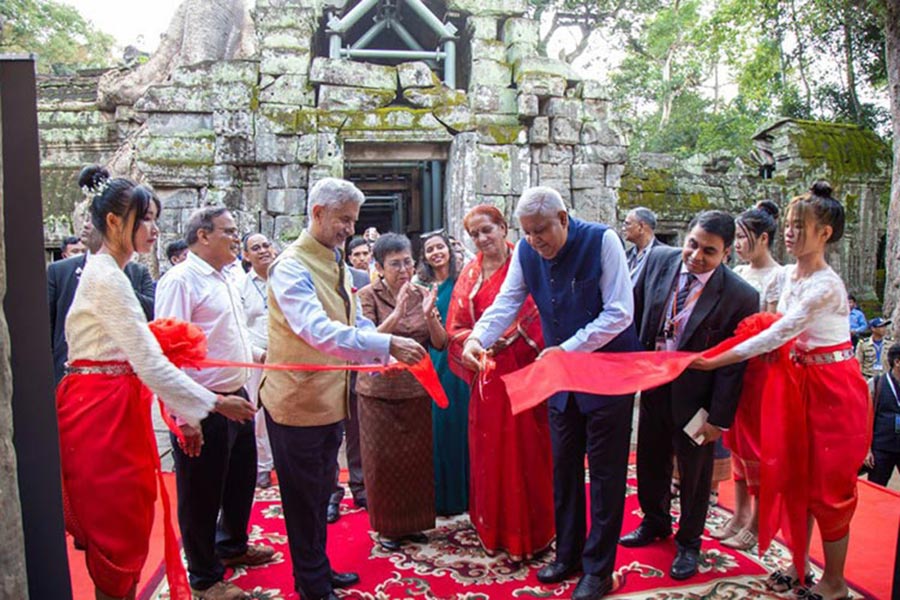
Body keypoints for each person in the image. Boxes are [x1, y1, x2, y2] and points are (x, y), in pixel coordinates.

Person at [57, 166, 255, 600]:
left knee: (125, 513)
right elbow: (149, 363)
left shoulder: (112, 274)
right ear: (113, 222)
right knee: (117, 522)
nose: (153, 228)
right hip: (103, 409)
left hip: (114, 402)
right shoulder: (108, 278)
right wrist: (215, 403)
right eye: (144, 218)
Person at [690, 182, 870, 600]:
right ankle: (798, 562)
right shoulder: (789, 275)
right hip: (796, 384)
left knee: (828, 488)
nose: (789, 232)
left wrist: (717, 359)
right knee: (794, 479)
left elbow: (779, 333)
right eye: (788, 224)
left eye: (799, 225)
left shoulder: (826, 285)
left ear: (825, 233)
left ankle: (835, 582)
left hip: (832, 391)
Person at [462, 187, 640, 600]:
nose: (535, 241)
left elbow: (619, 312)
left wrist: (568, 348)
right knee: (563, 469)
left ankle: (598, 569)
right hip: (560, 379)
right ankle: (569, 554)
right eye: (527, 233)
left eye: (542, 231)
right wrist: (478, 337)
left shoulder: (602, 240)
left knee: (606, 475)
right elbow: (508, 301)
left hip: (606, 374)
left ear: (563, 219)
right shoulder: (526, 251)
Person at [260, 178, 426, 600]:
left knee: (319, 493)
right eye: (344, 220)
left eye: (352, 221)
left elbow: (353, 322)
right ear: (317, 213)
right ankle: (312, 585)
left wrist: (378, 352)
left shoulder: (334, 261)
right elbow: (317, 331)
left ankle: (317, 569)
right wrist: (386, 344)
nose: (350, 229)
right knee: (302, 499)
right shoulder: (292, 265)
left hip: (330, 398)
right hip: (296, 402)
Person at [620, 210, 758, 582]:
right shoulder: (660, 260)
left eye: (708, 251)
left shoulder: (742, 295)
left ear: (726, 253)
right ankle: (655, 521)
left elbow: (735, 363)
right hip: (653, 384)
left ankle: (689, 542)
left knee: (695, 474)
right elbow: (632, 312)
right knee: (650, 457)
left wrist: (719, 418)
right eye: (693, 244)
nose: (696, 256)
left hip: (698, 399)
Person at [156, 207, 273, 600]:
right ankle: (204, 576)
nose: (236, 238)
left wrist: (258, 353)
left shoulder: (228, 276)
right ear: (203, 236)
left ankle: (233, 545)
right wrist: (185, 415)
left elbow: (231, 334)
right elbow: (168, 355)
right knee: (201, 491)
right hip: (203, 404)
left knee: (240, 478)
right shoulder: (180, 281)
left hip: (236, 393)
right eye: (229, 231)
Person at [447, 205, 555, 561]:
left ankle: (534, 529)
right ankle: (493, 526)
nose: (481, 239)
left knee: (528, 447)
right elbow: (457, 326)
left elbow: (540, 311)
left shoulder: (526, 263)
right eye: (474, 234)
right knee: (489, 449)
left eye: (487, 230)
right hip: (488, 376)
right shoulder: (470, 273)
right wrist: (475, 343)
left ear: (503, 227)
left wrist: (507, 337)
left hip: (526, 370)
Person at [355, 233, 445, 549]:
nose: (405, 269)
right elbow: (366, 341)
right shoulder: (367, 295)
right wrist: (398, 311)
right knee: (384, 461)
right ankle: (388, 528)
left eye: (408, 261)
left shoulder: (423, 292)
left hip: (417, 388)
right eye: (395, 264)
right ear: (378, 267)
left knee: (417, 461)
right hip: (378, 391)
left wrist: (430, 313)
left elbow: (439, 342)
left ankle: (414, 523)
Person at [709, 200, 782, 552]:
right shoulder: (738, 273)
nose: (737, 243)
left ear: (763, 238)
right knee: (737, 447)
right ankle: (739, 514)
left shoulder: (778, 278)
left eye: (742, 237)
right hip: (736, 369)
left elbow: (769, 331)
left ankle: (758, 522)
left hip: (762, 373)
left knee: (759, 450)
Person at [48, 174, 156, 385]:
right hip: (93, 386)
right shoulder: (69, 271)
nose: (89, 226)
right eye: (146, 218)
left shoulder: (128, 273)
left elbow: (151, 310)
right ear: (112, 222)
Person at [417, 229, 471, 516]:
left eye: (440, 247)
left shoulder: (463, 281)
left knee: (461, 423)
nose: (436, 253)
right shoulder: (422, 287)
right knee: (438, 424)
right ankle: (442, 497)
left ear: (450, 250)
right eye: (430, 250)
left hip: (461, 356)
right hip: (435, 357)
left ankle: (466, 494)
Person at [326, 257, 371, 522]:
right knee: (329, 438)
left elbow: (363, 320)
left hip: (355, 369)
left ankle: (360, 486)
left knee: (356, 433)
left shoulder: (360, 278)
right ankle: (330, 494)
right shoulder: (303, 274)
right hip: (325, 370)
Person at [238, 233, 277, 489]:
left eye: (266, 245)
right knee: (258, 412)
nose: (263, 250)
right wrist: (258, 354)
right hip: (256, 357)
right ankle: (262, 465)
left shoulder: (285, 279)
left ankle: (284, 462)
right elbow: (238, 328)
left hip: (287, 356)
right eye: (256, 247)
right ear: (246, 255)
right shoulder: (240, 285)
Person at [866, 345, 900, 486]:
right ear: (897, 362)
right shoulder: (876, 384)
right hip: (882, 448)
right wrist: (867, 451)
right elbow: (865, 419)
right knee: (876, 489)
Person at [621, 206, 665, 284]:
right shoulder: (625, 256)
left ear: (641, 226)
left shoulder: (664, 257)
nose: (623, 228)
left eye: (627, 224)